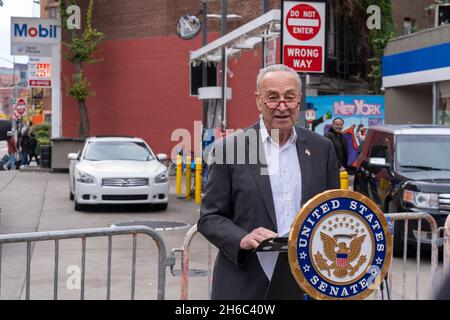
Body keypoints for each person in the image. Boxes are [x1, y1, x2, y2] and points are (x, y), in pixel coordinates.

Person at [197, 64, 340, 300]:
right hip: (245, 281)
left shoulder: (321, 148)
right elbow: (210, 218)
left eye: (289, 97)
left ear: (299, 100)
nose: (282, 106)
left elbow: (333, 212)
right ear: (258, 100)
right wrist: (241, 238)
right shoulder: (229, 150)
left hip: (307, 280)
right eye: (272, 98)